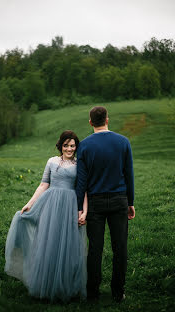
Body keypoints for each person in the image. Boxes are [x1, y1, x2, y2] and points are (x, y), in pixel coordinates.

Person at [5, 130, 87, 302]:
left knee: (67, 245)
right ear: (61, 145)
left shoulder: (80, 164)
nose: (69, 149)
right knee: (49, 241)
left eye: (72, 146)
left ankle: (66, 286)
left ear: (76, 147)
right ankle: (44, 283)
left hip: (70, 205)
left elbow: (84, 190)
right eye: (66, 145)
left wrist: (84, 211)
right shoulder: (52, 161)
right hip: (51, 204)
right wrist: (30, 203)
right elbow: (43, 184)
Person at [76, 106, 135, 303]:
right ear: (107, 120)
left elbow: (81, 181)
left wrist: (80, 208)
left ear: (91, 122)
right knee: (120, 248)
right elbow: (129, 175)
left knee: (95, 248)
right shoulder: (123, 142)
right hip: (119, 199)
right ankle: (118, 293)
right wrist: (131, 202)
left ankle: (92, 294)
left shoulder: (84, 146)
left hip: (95, 203)